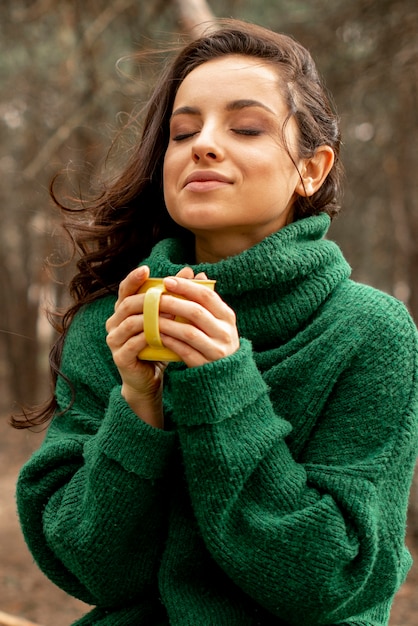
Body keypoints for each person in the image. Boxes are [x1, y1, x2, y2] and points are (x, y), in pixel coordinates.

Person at [15, 18, 418, 626]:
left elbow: (329, 579)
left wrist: (224, 387)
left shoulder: (371, 332)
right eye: (182, 132)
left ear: (312, 168)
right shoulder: (116, 323)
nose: (202, 144)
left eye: (247, 126)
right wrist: (137, 408)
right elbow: (89, 571)